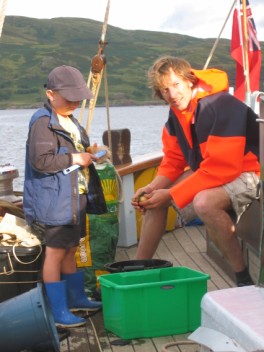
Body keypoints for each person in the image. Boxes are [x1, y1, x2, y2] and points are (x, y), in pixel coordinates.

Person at [132, 56, 260, 287]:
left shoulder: (220, 105)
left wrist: (171, 194)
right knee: (154, 199)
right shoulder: (177, 113)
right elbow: (173, 160)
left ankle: (242, 277)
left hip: (249, 171)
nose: (172, 94)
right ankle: (136, 271)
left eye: (176, 85)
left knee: (204, 203)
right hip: (213, 171)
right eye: (165, 89)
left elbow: (223, 166)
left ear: (190, 81)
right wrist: (153, 188)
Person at [23, 65, 102, 328]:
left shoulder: (70, 119)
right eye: (69, 98)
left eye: (78, 98)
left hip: (73, 198)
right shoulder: (43, 122)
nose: (75, 103)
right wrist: (75, 158)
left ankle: (77, 298)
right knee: (55, 253)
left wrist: (89, 151)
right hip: (54, 202)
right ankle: (58, 311)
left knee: (70, 249)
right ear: (50, 93)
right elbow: (41, 161)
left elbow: (72, 151)